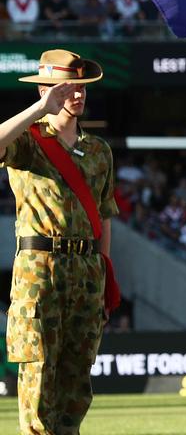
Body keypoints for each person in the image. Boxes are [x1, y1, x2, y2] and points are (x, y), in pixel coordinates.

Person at [0, 49, 118, 435]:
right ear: (44, 89)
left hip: (86, 271)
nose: (77, 94)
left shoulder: (99, 150)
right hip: (40, 271)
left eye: (82, 86)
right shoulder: (27, 142)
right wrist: (38, 110)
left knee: (76, 382)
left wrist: (104, 274)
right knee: (38, 374)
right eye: (67, 87)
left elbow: (103, 217)